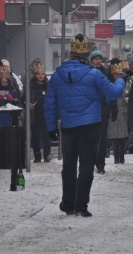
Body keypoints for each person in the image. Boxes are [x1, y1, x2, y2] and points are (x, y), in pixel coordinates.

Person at [45, 34, 127, 217]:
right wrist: (121, 78)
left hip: (68, 127)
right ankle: (81, 206)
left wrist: (51, 128)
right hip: (90, 125)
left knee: (68, 166)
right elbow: (114, 93)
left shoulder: (57, 76)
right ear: (87, 56)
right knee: (87, 165)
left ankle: (68, 203)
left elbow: (50, 104)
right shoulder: (94, 74)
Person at [90, 48, 115, 174]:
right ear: (91, 60)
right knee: (91, 138)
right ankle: (91, 161)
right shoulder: (87, 73)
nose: (98, 61)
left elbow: (112, 91)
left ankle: (100, 164)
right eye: (95, 59)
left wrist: (113, 108)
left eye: (99, 58)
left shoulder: (106, 73)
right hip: (90, 109)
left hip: (103, 107)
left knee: (102, 137)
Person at [0, 71, 19, 158]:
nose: (4, 84)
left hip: (8, 115)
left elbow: (16, 103)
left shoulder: (12, 90)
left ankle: (6, 153)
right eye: (3, 82)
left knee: (7, 135)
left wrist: (11, 99)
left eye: (6, 82)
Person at [28, 63, 51, 163]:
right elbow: (24, 99)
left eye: (42, 74)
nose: (41, 76)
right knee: (35, 135)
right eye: (38, 74)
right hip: (35, 114)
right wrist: (28, 104)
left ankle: (47, 154)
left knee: (46, 135)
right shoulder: (31, 86)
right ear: (35, 75)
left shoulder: (48, 86)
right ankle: (37, 155)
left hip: (46, 114)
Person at [108, 61, 130, 165]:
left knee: (123, 136)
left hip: (124, 111)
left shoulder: (127, 83)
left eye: (120, 75)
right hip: (114, 110)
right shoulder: (109, 84)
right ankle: (116, 157)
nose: (118, 77)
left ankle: (122, 156)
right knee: (115, 136)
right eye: (116, 75)